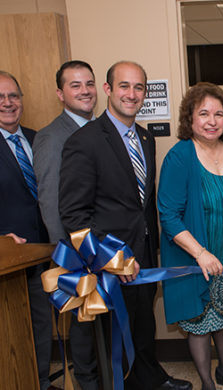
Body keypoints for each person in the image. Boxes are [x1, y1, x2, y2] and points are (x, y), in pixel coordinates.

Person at [59, 61, 191, 390]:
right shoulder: (84, 141)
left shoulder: (145, 138)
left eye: (138, 87)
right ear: (108, 90)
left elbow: (141, 205)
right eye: (124, 86)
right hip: (110, 262)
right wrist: (110, 258)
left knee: (143, 323)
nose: (132, 94)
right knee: (116, 333)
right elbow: (73, 215)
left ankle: (150, 377)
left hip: (143, 253)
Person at [157, 82, 223, 390]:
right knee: (199, 319)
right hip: (194, 255)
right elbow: (168, 215)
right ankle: (206, 382)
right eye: (203, 114)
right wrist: (200, 252)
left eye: (218, 114)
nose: (212, 121)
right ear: (190, 119)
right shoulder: (180, 156)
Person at [33, 60, 99, 389]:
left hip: (103, 252)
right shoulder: (50, 138)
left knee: (104, 328)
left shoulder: (101, 129)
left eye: (89, 83)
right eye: (75, 85)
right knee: (84, 329)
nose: (84, 90)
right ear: (61, 93)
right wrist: (73, 258)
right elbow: (50, 204)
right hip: (77, 256)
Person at [0, 71, 55, 390]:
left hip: (42, 254)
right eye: (1, 97)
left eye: (13, 96)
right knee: (12, 333)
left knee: (40, 325)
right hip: (8, 260)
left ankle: (41, 382)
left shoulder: (38, 139)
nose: (8, 103)